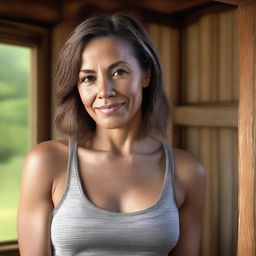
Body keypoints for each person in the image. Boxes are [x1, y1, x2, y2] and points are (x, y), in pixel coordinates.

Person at [17, 14, 205, 256]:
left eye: (118, 72)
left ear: (146, 74)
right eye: (88, 78)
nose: (104, 91)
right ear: (77, 87)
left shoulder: (187, 170)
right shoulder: (46, 162)